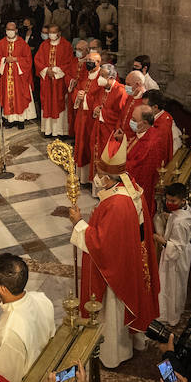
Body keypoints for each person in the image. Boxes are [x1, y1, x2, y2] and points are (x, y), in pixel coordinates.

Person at [69, 135, 160, 367]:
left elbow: (103, 244)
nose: (97, 179)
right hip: (131, 259)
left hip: (117, 270)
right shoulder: (131, 185)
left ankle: (113, 353)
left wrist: (79, 223)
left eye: (99, 175)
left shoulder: (118, 204)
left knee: (113, 309)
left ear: (109, 179)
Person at [0, 252, 56, 382]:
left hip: (27, 381)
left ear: (3, 289)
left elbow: (3, 380)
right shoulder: (41, 298)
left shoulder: (9, 332)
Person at [157, 182, 191, 323]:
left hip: (175, 256)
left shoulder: (180, 222)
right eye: (167, 200)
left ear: (182, 199)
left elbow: (176, 247)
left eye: (173, 201)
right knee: (178, 283)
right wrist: (170, 217)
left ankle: (170, 316)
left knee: (172, 285)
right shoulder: (186, 209)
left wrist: (159, 239)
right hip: (183, 252)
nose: (169, 203)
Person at [0, 20, 37, 124]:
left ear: (16, 30)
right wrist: (4, 59)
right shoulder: (1, 43)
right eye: (8, 29)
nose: (10, 31)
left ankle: (20, 120)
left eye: (12, 29)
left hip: (19, 77)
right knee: (7, 96)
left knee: (19, 97)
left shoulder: (22, 43)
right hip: (6, 76)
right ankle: (9, 120)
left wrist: (15, 59)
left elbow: (28, 60)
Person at [37, 24, 75, 136]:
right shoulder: (44, 45)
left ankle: (60, 131)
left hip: (59, 81)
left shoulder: (66, 45)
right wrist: (45, 70)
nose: (51, 35)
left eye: (54, 32)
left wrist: (56, 71)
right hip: (47, 81)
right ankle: (48, 130)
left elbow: (69, 62)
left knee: (59, 103)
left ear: (59, 33)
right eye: (50, 32)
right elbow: (37, 60)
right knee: (47, 103)